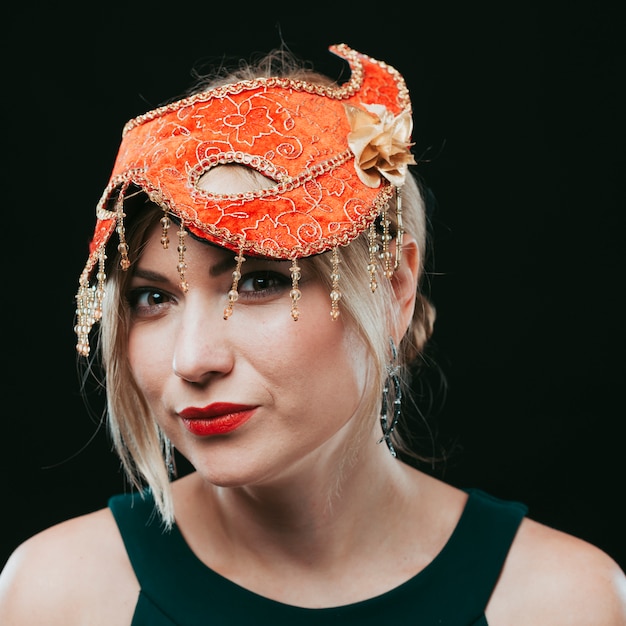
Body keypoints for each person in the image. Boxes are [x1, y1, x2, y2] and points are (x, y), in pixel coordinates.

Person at [0, 42, 624, 626]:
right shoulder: (61, 595)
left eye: (260, 282)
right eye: (152, 297)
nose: (192, 360)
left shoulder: (560, 601)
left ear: (395, 288)